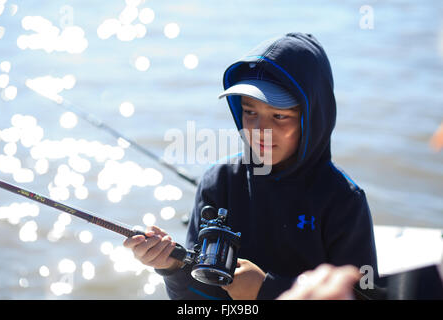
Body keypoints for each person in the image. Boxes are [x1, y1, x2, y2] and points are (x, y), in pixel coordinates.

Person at [124, 32, 378, 300]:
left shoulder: (344, 201)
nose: (260, 130)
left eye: (279, 115)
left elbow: (367, 295)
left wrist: (266, 290)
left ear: (313, 118)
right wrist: (171, 267)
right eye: (250, 112)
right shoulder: (218, 182)